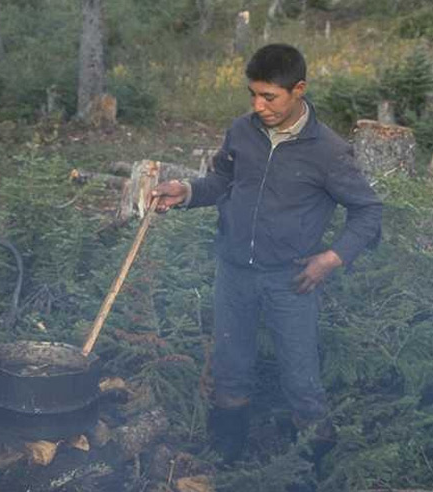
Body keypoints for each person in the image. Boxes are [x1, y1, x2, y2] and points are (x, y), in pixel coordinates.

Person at [152, 44, 382, 464]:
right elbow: (223, 182)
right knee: (229, 369)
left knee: (301, 381)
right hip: (234, 273)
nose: (259, 106)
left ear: (299, 90)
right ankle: (226, 462)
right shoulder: (242, 132)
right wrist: (185, 191)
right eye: (253, 95)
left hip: (291, 281)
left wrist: (331, 258)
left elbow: (368, 211)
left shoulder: (328, 151)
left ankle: (311, 469)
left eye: (269, 97)